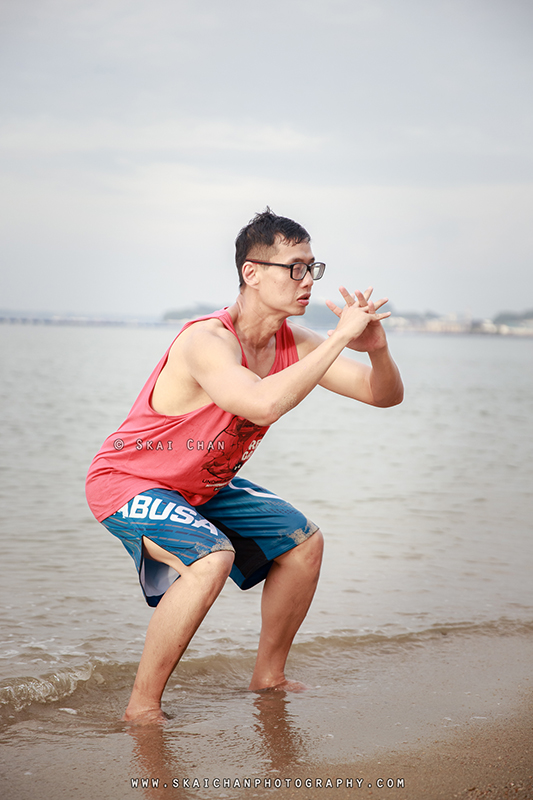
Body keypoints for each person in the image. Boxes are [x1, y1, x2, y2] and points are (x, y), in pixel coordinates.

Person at [85, 209, 403, 724]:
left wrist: (379, 351)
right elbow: (261, 405)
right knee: (212, 557)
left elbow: (382, 396)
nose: (306, 281)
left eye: (312, 268)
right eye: (293, 268)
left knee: (303, 541)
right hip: (129, 481)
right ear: (251, 272)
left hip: (204, 485)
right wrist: (340, 338)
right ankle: (141, 708)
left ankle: (268, 676)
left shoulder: (292, 343)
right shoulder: (205, 340)